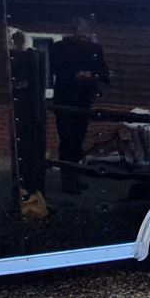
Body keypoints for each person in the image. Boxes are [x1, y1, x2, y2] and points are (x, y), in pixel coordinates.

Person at [49, 22, 110, 192]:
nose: (83, 33)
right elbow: (55, 69)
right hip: (64, 99)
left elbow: (104, 72)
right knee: (67, 139)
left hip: (83, 100)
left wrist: (93, 75)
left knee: (78, 138)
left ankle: (75, 175)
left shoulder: (94, 49)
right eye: (80, 29)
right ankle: (67, 180)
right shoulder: (59, 48)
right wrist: (75, 75)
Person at [9, 31, 48, 212]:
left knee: (33, 146)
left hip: (32, 107)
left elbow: (33, 84)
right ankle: (23, 184)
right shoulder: (11, 58)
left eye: (20, 40)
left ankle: (34, 185)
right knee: (20, 147)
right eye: (15, 40)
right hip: (18, 108)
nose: (18, 43)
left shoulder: (31, 56)